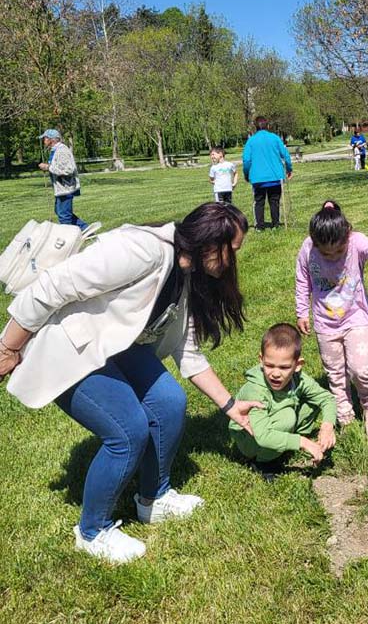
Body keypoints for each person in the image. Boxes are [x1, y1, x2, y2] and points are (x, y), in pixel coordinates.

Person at [0, 203, 262, 563]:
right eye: (233, 250)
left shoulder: (187, 272)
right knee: (127, 432)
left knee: (169, 403)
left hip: (111, 345)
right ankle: (92, 532)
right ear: (209, 243)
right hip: (68, 344)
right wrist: (8, 347)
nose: (234, 260)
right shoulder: (142, 250)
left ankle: (153, 499)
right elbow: (54, 285)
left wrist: (230, 406)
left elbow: (188, 350)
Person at [296, 201, 368, 441]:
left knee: (361, 369)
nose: (332, 257)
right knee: (335, 372)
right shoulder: (308, 248)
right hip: (325, 322)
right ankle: (345, 415)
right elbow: (303, 280)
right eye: (326, 253)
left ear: (348, 235)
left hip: (356, 316)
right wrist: (302, 312)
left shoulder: (356, 241)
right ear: (315, 242)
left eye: (338, 251)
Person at [229, 322, 336, 474]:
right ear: (261, 359)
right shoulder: (255, 390)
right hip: (250, 438)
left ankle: (284, 445)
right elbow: (263, 436)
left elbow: (326, 398)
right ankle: (263, 462)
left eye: (284, 367)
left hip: (272, 424)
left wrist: (327, 426)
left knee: (312, 403)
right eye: (269, 365)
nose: (275, 373)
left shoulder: (298, 379)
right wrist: (303, 443)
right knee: (287, 417)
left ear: (297, 365)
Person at [242, 116, 292, 230]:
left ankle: (260, 226)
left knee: (259, 202)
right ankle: (275, 224)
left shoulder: (251, 141)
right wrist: (289, 169)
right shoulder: (275, 138)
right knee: (274, 201)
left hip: (258, 178)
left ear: (255, 127)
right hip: (275, 176)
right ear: (268, 126)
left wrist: (246, 173)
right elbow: (286, 155)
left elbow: (246, 160)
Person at [38, 128, 87, 229]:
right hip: (61, 189)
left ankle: (70, 235)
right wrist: (49, 167)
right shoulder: (55, 150)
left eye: (45, 138)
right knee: (60, 212)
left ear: (51, 139)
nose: (44, 141)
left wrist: (48, 167)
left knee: (64, 216)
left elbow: (68, 170)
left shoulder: (62, 150)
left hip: (66, 188)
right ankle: (85, 229)